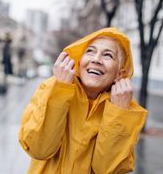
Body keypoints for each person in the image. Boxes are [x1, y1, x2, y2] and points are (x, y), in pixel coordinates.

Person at [18, 27, 148, 174]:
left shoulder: (124, 109)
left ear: (120, 74)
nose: (96, 59)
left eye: (108, 55)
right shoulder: (51, 88)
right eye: (90, 51)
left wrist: (118, 113)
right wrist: (60, 91)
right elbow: (39, 149)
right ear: (79, 62)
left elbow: (107, 169)